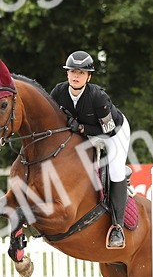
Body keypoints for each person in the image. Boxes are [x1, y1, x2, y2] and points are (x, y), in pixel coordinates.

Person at [49, 51, 132, 249]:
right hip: (82, 134)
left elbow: (108, 130)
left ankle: (117, 227)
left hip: (114, 132)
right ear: (67, 73)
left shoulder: (97, 96)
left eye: (81, 72)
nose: (76, 76)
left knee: (115, 170)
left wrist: (82, 128)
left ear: (89, 77)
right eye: (73, 71)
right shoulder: (58, 92)